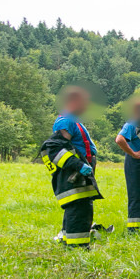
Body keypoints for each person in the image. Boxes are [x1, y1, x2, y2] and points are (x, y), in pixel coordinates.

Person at [40, 86, 103, 248]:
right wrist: (78, 165)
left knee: (80, 207)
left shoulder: (73, 120)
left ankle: (69, 241)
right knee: (79, 209)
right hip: (74, 176)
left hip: (81, 174)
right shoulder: (66, 121)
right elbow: (53, 148)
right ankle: (78, 248)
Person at [116, 99, 140, 232]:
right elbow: (119, 139)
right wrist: (133, 154)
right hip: (135, 162)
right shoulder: (132, 123)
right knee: (138, 194)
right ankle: (135, 230)